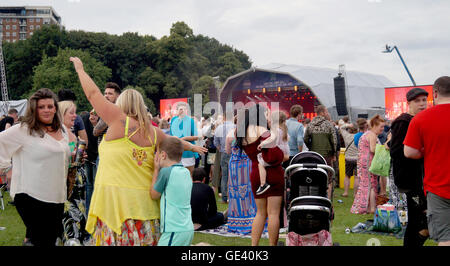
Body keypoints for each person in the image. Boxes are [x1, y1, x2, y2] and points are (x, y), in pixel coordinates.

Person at [70, 57, 206, 246]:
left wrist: (80, 70)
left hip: (116, 207)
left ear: (121, 104)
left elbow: (93, 94)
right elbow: (174, 142)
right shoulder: (154, 132)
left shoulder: (118, 120)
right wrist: (192, 146)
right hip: (146, 210)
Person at [0, 88, 71, 246]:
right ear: (34, 109)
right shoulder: (24, 130)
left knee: (51, 240)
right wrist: (7, 169)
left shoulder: (62, 129)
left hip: (57, 196)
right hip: (30, 195)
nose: (46, 110)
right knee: (42, 240)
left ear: (55, 108)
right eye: (41, 107)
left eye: (50, 106)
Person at [404, 76, 450, 246]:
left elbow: (409, 152)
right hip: (437, 187)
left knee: (445, 237)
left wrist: (428, 150)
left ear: (435, 93)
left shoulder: (421, 119)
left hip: (438, 187)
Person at [236, 104, 285, 246]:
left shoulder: (241, 132)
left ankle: (254, 245)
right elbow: (273, 156)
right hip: (272, 173)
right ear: (261, 115)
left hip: (255, 173)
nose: (269, 117)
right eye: (267, 114)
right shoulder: (262, 130)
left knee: (260, 213)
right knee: (273, 213)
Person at [389, 87, 429, 246]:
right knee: (420, 222)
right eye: (417, 101)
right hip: (410, 179)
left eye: (424, 100)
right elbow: (396, 151)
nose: (422, 104)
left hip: (421, 178)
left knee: (419, 222)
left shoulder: (421, 119)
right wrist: (420, 151)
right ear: (409, 103)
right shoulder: (403, 121)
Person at [150, 137, 194, 246]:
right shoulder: (186, 172)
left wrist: (156, 170)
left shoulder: (165, 172)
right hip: (187, 227)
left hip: (174, 229)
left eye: (158, 154)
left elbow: (154, 195)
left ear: (163, 155)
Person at [58, 100, 90, 245]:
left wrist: (80, 158)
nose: (75, 116)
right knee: (70, 221)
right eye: (71, 112)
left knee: (80, 219)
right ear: (61, 114)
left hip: (78, 187)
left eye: (75, 112)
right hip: (67, 188)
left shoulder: (71, 134)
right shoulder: (58, 135)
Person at [225, 124, 259, 235]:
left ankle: (236, 221)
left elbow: (227, 151)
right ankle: (251, 219)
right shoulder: (251, 134)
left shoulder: (231, 133)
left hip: (234, 165)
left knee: (235, 193)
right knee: (249, 192)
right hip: (247, 165)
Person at [351, 114, 385, 214]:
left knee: (365, 185)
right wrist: (384, 147)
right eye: (381, 127)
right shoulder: (373, 135)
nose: (382, 129)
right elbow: (373, 149)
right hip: (369, 163)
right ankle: (372, 208)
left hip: (362, 163)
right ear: (374, 125)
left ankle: (365, 206)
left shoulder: (366, 134)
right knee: (372, 185)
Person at [304, 105, 337, 199]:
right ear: (322, 113)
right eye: (326, 111)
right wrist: (334, 153)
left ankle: (315, 197)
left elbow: (305, 138)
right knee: (329, 179)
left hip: (314, 155)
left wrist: (311, 147)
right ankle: (328, 199)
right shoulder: (328, 124)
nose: (327, 113)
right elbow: (334, 141)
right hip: (327, 155)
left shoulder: (310, 124)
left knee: (315, 177)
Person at [256, 110, 290, 195]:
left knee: (260, 162)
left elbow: (271, 139)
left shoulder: (276, 130)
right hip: (285, 153)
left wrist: (262, 144)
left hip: (278, 153)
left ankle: (263, 184)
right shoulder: (283, 130)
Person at [170, 102, 199, 177]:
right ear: (177, 110)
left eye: (184, 109)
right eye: (180, 109)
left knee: (189, 175)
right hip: (177, 152)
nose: (182, 111)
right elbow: (171, 136)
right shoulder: (173, 120)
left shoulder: (190, 121)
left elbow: (196, 137)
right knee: (177, 175)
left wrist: (184, 138)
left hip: (188, 152)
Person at [214, 112, 236, 202]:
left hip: (224, 153)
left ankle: (224, 197)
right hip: (234, 152)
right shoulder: (235, 127)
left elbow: (216, 142)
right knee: (234, 175)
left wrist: (221, 149)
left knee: (224, 175)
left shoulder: (219, 128)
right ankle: (233, 196)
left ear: (224, 117)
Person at [81, 109, 99, 216]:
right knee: (91, 185)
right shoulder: (88, 118)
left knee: (90, 185)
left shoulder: (87, 118)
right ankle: (90, 215)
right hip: (92, 156)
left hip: (90, 155)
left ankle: (90, 215)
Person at [339, 123, 358, 197]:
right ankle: (355, 194)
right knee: (357, 177)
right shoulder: (360, 136)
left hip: (348, 158)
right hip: (357, 158)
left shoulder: (346, 136)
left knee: (347, 176)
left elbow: (341, 128)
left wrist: (348, 125)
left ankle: (346, 192)